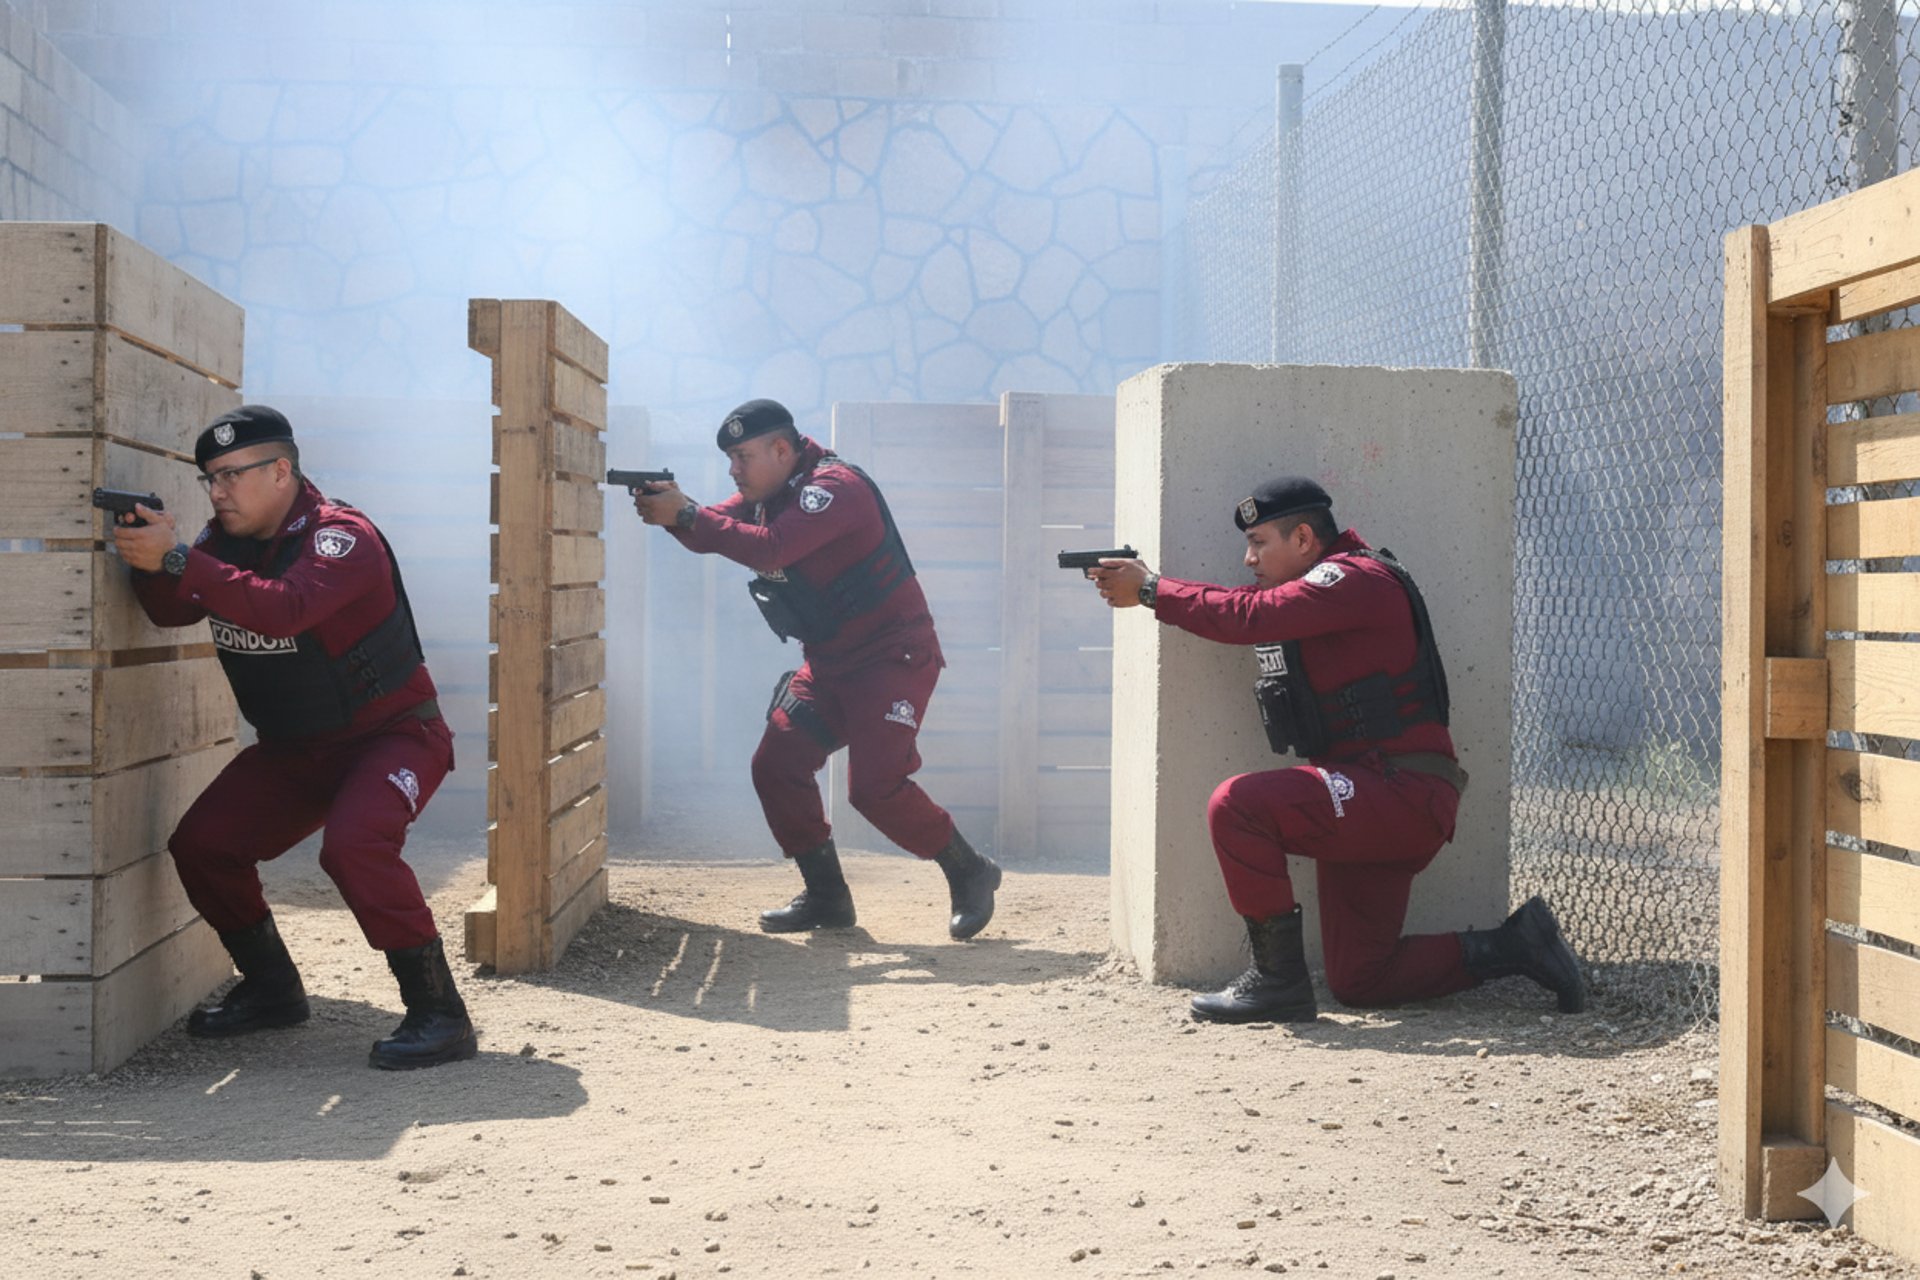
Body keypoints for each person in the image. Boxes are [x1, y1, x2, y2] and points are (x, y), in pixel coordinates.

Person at [1085, 476, 1586, 1023]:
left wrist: (1152, 589)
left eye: (1259, 542)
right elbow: (1243, 604)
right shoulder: (1321, 586)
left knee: (1237, 805)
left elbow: (1250, 617)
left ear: (1303, 539)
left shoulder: (1354, 578)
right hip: (1371, 799)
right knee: (1362, 977)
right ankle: (1520, 945)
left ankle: (1277, 983)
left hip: (1400, 793)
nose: (1248, 557)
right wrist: (1148, 586)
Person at [111, 405, 477, 1070]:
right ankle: (273, 992)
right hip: (295, 749)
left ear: (281, 471)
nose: (217, 491)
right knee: (203, 846)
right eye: (209, 479)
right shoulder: (225, 541)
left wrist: (175, 557)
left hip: (394, 737)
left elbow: (286, 609)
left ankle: (440, 1014)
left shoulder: (342, 536)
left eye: (230, 475)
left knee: (355, 847)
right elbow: (169, 611)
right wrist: (147, 556)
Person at [630, 398, 1001, 940]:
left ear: (782, 449)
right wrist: (673, 513)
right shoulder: (771, 492)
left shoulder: (833, 488)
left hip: (892, 659)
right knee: (776, 765)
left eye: (742, 456)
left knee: (875, 789)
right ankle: (828, 898)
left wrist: (685, 514)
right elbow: (712, 530)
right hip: (830, 663)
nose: (734, 469)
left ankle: (970, 871)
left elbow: (770, 549)